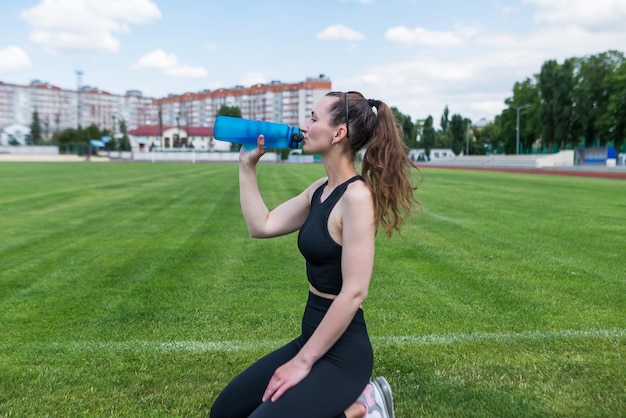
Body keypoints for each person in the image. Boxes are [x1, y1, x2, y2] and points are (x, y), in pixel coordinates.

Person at [210, 91, 420, 418]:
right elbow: (261, 225)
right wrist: (246, 166)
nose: (304, 126)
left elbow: (354, 293)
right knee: (225, 412)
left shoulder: (357, 197)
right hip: (310, 337)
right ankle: (356, 410)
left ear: (338, 134)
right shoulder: (318, 189)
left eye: (313, 118)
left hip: (342, 356)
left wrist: (301, 363)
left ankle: (367, 406)